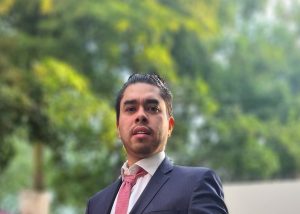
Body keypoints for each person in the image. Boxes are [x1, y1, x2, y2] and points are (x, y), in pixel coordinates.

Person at [85, 73, 228, 214]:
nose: (140, 115)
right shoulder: (96, 204)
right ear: (118, 127)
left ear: (170, 126)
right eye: (130, 109)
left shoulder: (195, 184)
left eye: (153, 108)